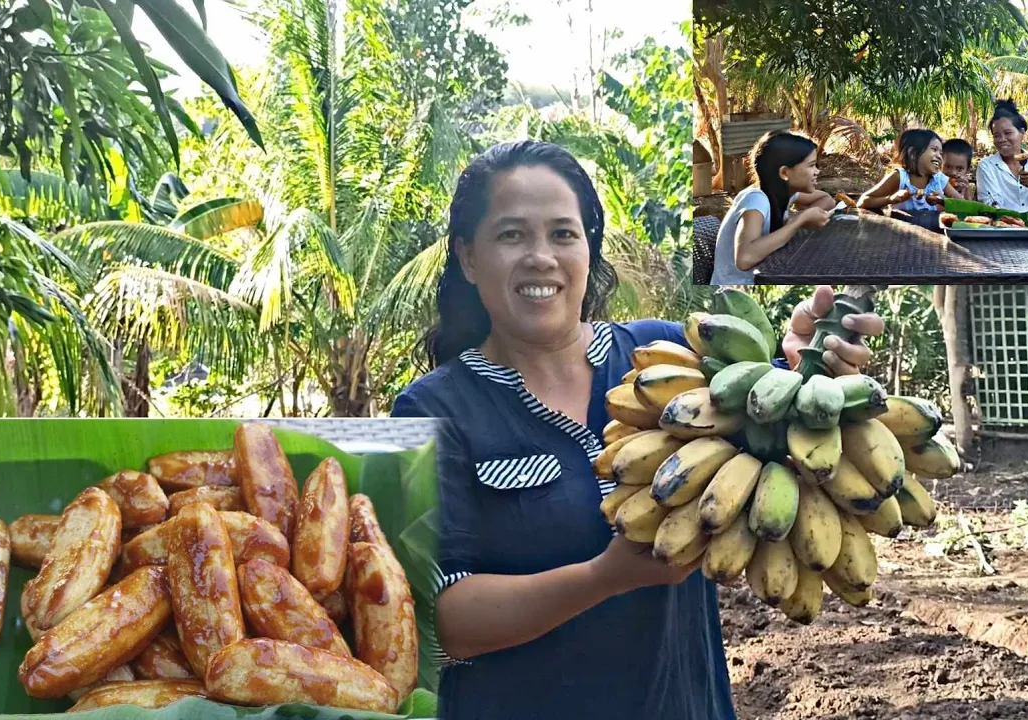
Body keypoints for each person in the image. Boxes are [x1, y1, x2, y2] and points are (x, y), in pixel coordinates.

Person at [390, 139, 884, 720]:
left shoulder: (664, 357)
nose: (541, 257)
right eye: (511, 235)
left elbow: (764, 425)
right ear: (469, 258)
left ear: (588, 248)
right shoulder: (432, 410)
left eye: (562, 233)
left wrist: (803, 364)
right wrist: (604, 578)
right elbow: (442, 621)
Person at [709, 131, 835, 284]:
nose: (817, 171)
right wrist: (799, 221)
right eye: (811, 166)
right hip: (737, 288)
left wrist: (807, 215)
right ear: (784, 172)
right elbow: (744, 259)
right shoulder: (756, 199)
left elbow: (826, 199)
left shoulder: (784, 193)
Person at [857, 129, 963, 213]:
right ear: (913, 153)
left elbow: (963, 205)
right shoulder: (900, 177)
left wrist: (943, 201)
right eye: (934, 150)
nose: (939, 156)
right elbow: (863, 201)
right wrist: (890, 199)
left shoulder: (939, 179)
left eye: (941, 153)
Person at [976, 99, 1028, 212]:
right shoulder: (987, 166)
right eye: (996, 135)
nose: (1002, 139)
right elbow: (990, 206)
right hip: (1002, 226)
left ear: (1022, 133)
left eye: (1008, 133)